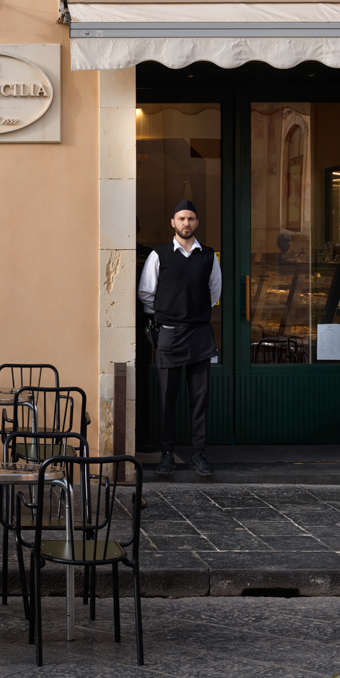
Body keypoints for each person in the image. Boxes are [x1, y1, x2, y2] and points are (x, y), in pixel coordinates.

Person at [138, 199, 219, 476]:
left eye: (191, 219)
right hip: (169, 337)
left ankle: (199, 454)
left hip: (199, 335)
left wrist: (193, 311)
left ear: (197, 223)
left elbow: (214, 292)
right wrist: (169, 312)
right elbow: (146, 293)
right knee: (166, 399)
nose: (186, 223)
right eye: (181, 218)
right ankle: (167, 455)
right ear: (173, 222)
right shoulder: (159, 255)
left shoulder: (208, 255)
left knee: (200, 399)